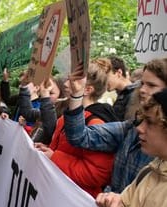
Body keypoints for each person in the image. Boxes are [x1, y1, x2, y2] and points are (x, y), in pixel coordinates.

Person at [64, 58, 167, 193]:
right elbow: (79, 136)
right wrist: (77, 95)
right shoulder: (130, 128)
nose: (142, 90)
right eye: (142, 83)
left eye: (151, 85)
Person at [95, 89, 167, 207]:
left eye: (149, 122)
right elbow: (125, 204)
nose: (139, 129)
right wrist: (114, 201)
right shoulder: (149, 172)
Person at [35, 62, 117, 198]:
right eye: (68, 79)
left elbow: (97, 174)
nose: (66, 85)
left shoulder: (96, 124)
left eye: (72, 81)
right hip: (56, 192)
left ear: (87, 90)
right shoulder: (65, 117)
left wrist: (54, 157)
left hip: (75, 201)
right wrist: (47, 149)